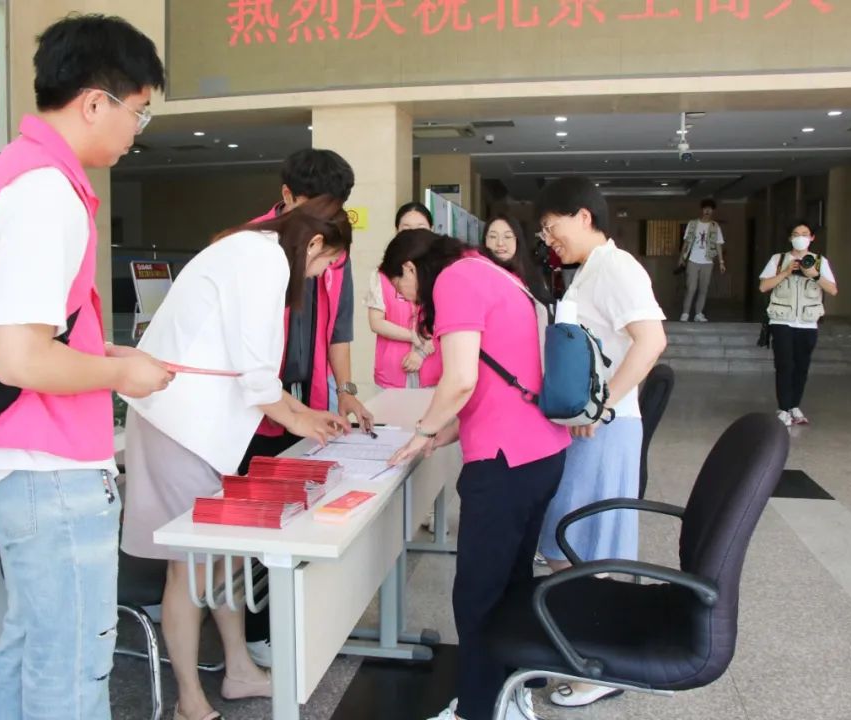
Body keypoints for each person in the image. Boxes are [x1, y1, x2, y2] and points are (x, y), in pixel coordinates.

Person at [0, 15, 172, 720]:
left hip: (18, 459)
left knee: (34, 644)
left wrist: (104, 354)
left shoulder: (19, 171)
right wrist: (121, 377)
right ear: (96, 102)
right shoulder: (46, 192)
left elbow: (23, 335)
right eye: (138, 111)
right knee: (72, 665)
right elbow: (19, 357)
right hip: (46, 464)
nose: (137, 131)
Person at [121, 197, 353, 720]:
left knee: (224, 555)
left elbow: (250, 372)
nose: (320, 275)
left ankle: (240, 671)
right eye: (325, 263)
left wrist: (306, 414)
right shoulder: (263, 259)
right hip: (178, 424)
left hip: (200, 425)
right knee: (190, 567)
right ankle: (189, 700)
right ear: (315, 242)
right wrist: (302, 421)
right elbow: (256, 374)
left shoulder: (254, 251)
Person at [383, 230, 572, 720]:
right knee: (511, 583)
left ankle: (476, 711)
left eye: (400, 287)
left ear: (410, 267)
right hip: (543, 451)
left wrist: (423, 431)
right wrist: (439, 435)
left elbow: (462, 378)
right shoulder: (495, 273)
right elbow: (500, 379)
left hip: (505, 464)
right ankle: (511, 695)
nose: (406, 299)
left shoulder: (454, 280)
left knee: (477, 595)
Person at [534, 177, 667, 708]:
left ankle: (601, 665)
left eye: (552, 226)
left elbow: (651, 340)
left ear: (583, 216)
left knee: (589, 547)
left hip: (606, 428)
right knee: (568, 540)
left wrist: (603, 403)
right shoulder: (590, 270)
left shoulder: (616, 267)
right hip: (590, 426)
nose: (549, 238)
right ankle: (584, 649)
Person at [239, 148, 374, 666]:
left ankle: (299, 617)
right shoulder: (253, 244)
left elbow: (340, 327)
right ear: (287, 196)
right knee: (261, 513)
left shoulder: (336, 247)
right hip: (257, 403)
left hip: (309, 397)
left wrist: (346, 388)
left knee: (306, 508)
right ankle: (259, 629)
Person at [759, 219, 838, 427]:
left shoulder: (819, 261)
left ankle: (794, 406)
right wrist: (786, 272)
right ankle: (783, 409)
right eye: (796, 234)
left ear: (812, 238)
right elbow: (764, 286)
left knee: (801, 366)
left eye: (804, 234)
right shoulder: (778, 259)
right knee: (784, 365)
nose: (800, 238)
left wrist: (814, 275)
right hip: (781, 320)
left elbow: (832, 289)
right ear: (790, 238)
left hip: (807, 322)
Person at [365, 202, 440, 390]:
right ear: (396, 231)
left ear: (431, 230)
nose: (413, 235)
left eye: (420, 228)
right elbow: (376, 322)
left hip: (434, 376)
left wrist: (421, 353)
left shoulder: (443, 272)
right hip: (391, 375)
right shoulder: (382, 274)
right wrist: (413, 336)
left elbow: (447, 324)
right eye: (406, 229)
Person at [481, 214, 553, 304]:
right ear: (485, 241)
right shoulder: (476, 276)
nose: (500, 243)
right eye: (493, 236)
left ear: (517, 241)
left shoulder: (532, 277)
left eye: (507, 236)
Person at [678, 198, 726, 322]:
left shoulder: (715, 226)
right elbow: (686, 242)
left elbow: (718, 244)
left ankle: (698, 313)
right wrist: (682, 258)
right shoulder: (693, 224)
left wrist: (721, 262)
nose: (707, 211)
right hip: (693, 260)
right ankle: (685, 313)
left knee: (703, 289)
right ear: (702, 210)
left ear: (713, 211)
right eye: (705, 208)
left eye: (710, 209)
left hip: (708, 261)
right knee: (691, 287)